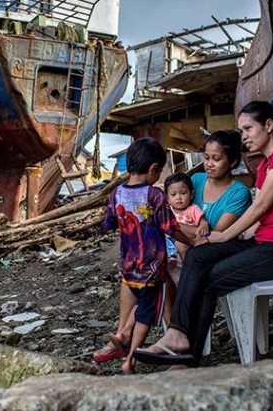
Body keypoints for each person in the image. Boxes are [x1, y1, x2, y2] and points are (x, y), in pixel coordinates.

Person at [135, 100, 273, 367]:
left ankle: (186, 356)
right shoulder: (265, 166)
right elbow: (265, 214)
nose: (244, 137)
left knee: (211, 277)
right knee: (198, 255)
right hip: (265, 242)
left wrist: (225, 235)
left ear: (269, 125)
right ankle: (177, 335)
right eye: (241, 131)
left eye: (248, 129)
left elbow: (260, 206)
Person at [94, 137, 188, 374]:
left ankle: (123, 335)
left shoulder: (116, 193)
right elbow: (170, 227)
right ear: (153, 169)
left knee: (141, 303)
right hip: (153, 269)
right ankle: (131, 358)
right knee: (146, 312)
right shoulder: (154, 195)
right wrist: (192, 240)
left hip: (128, 267)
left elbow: (108, 223)